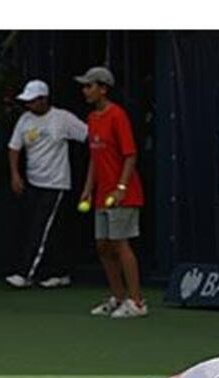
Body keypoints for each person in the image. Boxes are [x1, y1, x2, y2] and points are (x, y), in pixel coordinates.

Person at [76, 66, 147, 318]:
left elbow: (130, 154)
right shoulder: (93, 119)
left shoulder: (118, 116)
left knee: (120, 244)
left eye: (89, 86)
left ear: (103, 88)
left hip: (123, 194)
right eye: (84, 86)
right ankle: (118, 297)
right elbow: (95, 159)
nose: (85, 91)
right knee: (103, 246)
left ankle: (136, 302)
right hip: (101, 195)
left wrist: (120, 188)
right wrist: (87, 190)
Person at [5, 79, 88, 289]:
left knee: (40, 228)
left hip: (56, 183)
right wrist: (15, 175)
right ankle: (59, 272)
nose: (29, 105)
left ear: (44, 99)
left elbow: (89, 135)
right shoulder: (24, 120)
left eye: (33, 101)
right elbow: (14, 148)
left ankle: (26, 273)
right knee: (49, 229)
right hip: (34, 182)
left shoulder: (63, 118)